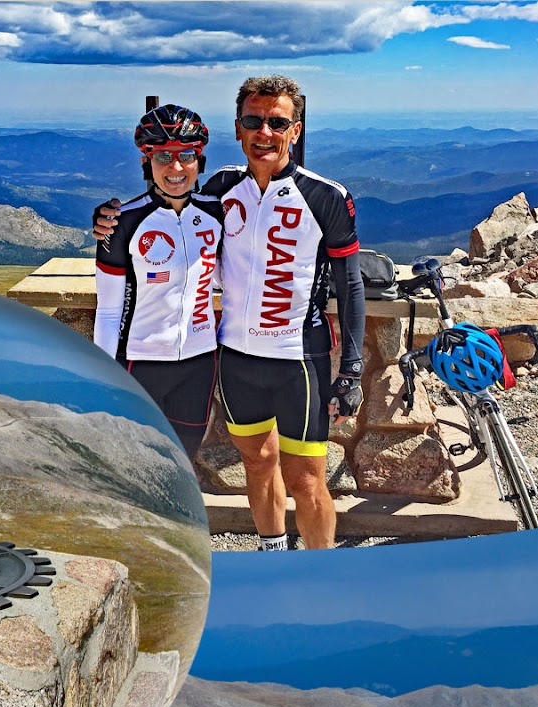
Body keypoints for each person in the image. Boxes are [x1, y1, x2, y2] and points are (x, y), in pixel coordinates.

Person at [97, 75, 364, 549]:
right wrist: (107, 221)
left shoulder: (326, 197)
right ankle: (272, 555)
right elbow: (167, 207)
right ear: (238, 129)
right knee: (257, 466)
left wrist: (353, 371)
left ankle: (324, 578)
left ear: (295, 131)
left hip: (299, 359)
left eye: (277, 122)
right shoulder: (221, 189)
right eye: (253, 121)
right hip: (235, 359)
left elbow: (351, 283)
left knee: (305, 480)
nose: (264, 132)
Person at [94, 104, 223, 459]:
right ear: (146, 163)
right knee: (133, 466)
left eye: (187, 156)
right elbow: (107, 310)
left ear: (201, 162)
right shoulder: (123, 222)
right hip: (138, 364)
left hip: (199, 363)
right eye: (163, 156)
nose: (176, 167)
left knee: (183, 466)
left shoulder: (217, 212)